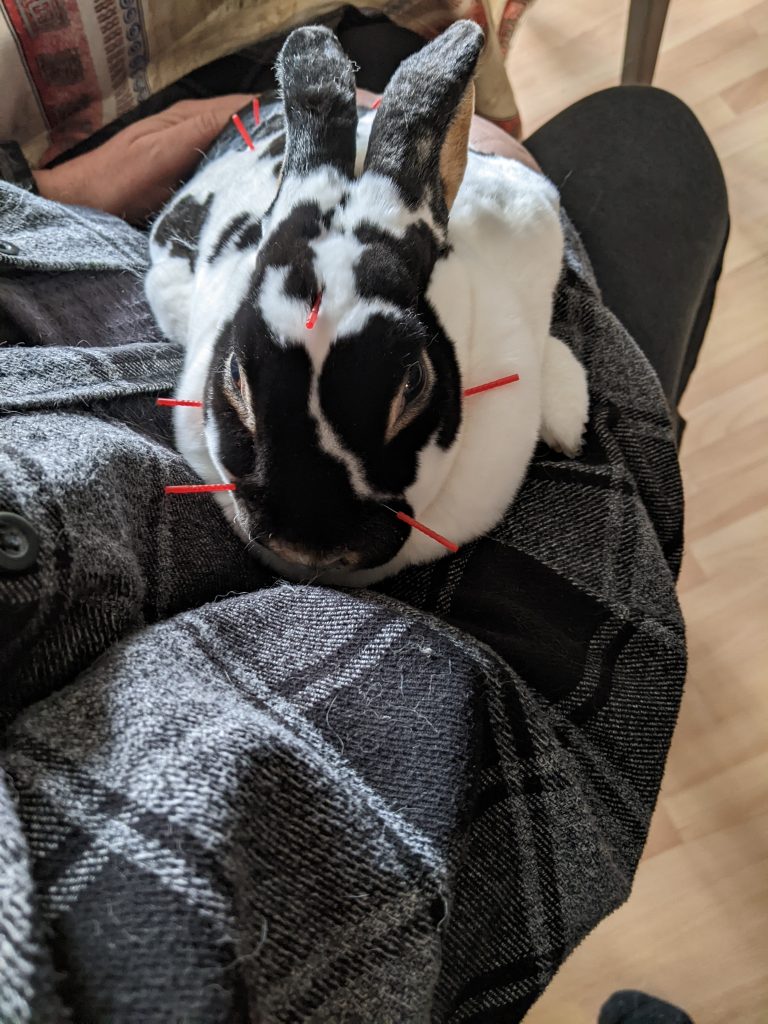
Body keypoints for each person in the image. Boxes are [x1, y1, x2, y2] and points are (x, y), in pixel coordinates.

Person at [0, 14, 724, 1024]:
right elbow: (484, 735)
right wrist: (548, 301)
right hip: (430, 612)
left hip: (81, 257)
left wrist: (39, 195)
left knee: (382, 49)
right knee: (650, 150)